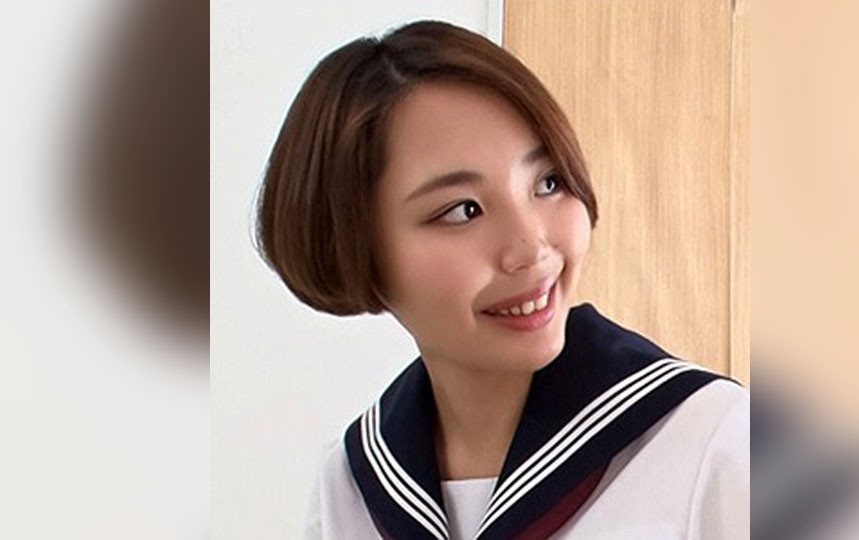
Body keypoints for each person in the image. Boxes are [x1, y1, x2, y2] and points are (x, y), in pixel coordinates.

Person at [256, 20, 748, 540]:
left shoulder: (717, 441)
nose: (531, 249)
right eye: (462, 210)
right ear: (357, 249)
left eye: (548, 182)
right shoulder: (349, 488)